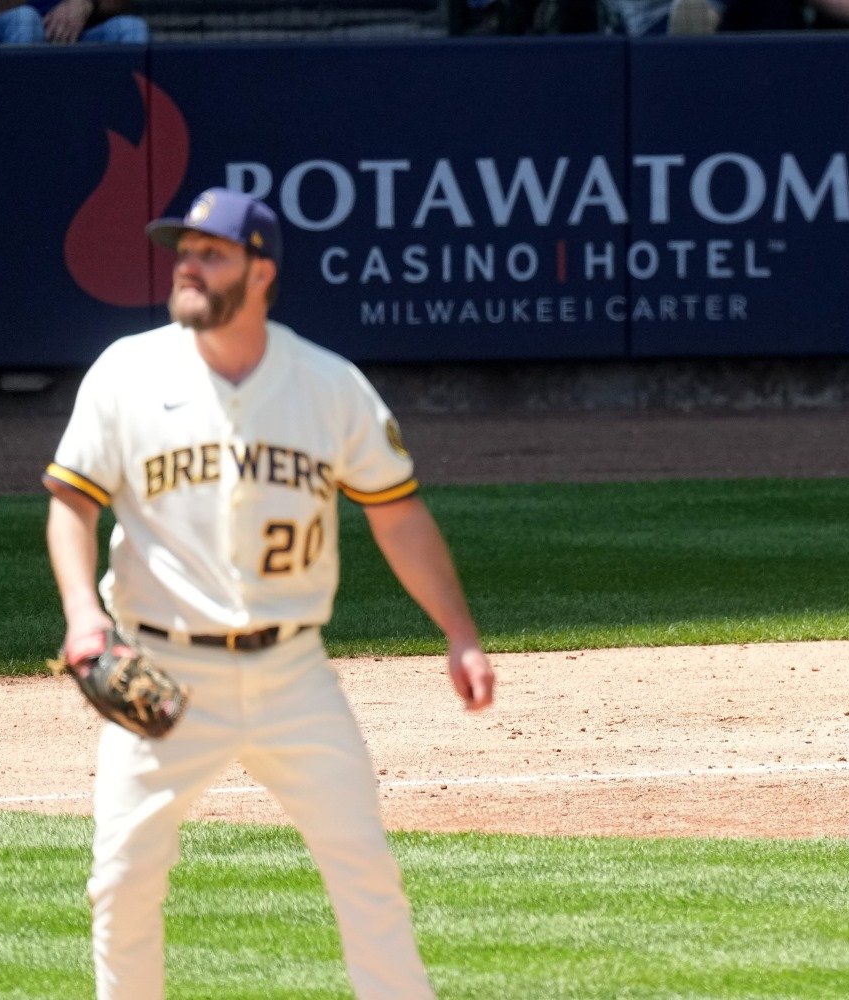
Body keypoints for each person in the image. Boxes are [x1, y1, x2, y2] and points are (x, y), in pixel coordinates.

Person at [43, 187, 495, 999]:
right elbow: (71, 501)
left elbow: (397, 515)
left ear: (260, 272)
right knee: (121, 884)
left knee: (366, 874)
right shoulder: (128, 373)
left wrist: (458, 632)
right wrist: (83, 614)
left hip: (295, 678)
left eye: (210, 253)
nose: (187, 265)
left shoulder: (329, 385)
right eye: (183, 250)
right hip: (163, 669)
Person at [0, 0, 148, 43]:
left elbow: (120, 4)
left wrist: (87, 2)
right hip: (1, 40)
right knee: (25, 20)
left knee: (131, 27)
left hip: (67, 38)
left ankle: (125, 119)